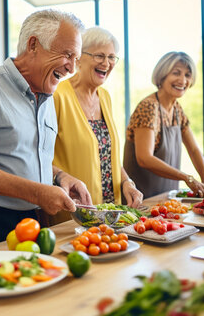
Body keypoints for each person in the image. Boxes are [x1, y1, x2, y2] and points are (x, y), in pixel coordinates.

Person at [0, 9, 92, 255]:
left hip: (30, 222)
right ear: (33, 44)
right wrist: (38, 192)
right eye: (67, 55)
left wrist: (59, 177)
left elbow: (19, 154)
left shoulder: (46, 96)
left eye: (76, 59)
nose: (72, 68)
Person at [53, 27, 143, 209]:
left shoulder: (105, 97)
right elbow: (39, 158)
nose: (107, 63)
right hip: (73, 210)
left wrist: (127, 182)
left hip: (110, 212)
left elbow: (106, 155)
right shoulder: (58, 96)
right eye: (99, 56)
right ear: (78, 57)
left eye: (111, 57)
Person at [123, 51, 204, 198]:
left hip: (165, 198)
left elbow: (193, 149)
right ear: (162, 75)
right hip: (141, 199)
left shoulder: (177, 110)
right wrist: (187, 177)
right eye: (176, 73)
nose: (182, 80)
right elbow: (144, 158)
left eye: (187, 75)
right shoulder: (148, 107)